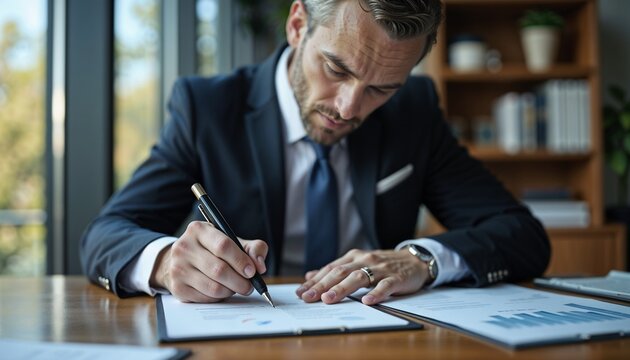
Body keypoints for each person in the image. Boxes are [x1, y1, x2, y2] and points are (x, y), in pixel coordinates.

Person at [80, 0, 550, 305]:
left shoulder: (414, 113)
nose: (349, 109)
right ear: (298, 23)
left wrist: (422, 260)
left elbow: (524, 236)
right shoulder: (208, 108)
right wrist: (164, 262)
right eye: (336, 69)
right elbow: (104, 235)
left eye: (381, 89)